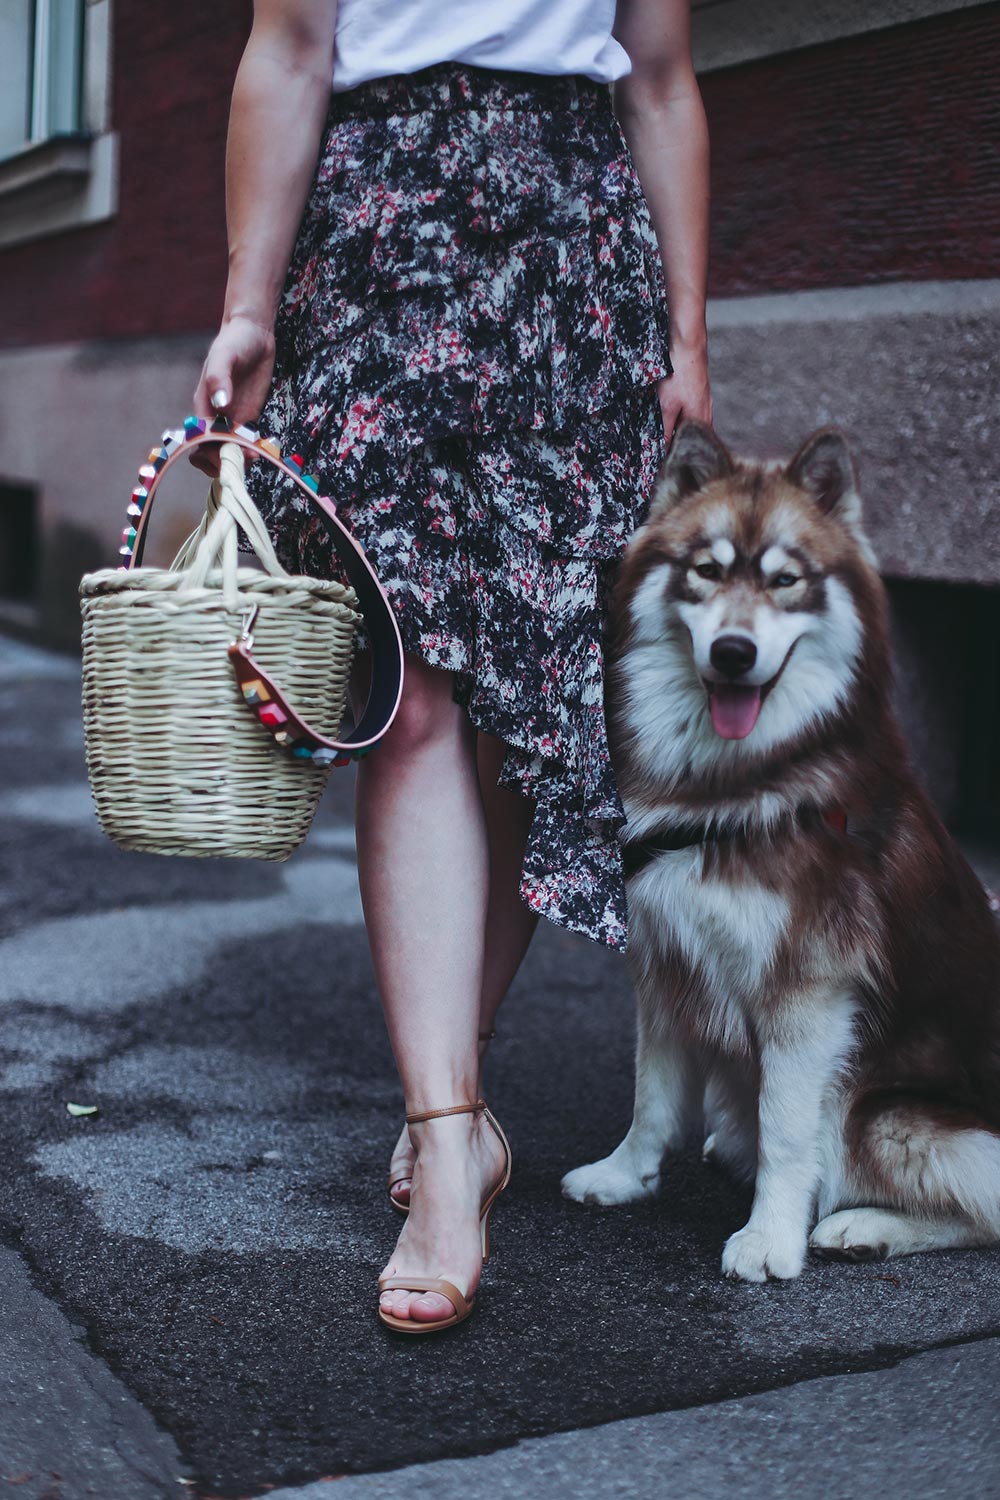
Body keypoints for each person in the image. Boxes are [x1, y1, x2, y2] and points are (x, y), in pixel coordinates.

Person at [193, 0, 711, 1334]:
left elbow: (659, 77)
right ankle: (444, 1141)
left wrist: (691, 334)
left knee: (537, 714)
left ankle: (456, 1096)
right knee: (411, 696)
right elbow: (292, 49)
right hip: (377, 239)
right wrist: (248, 306)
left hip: (572, 256)